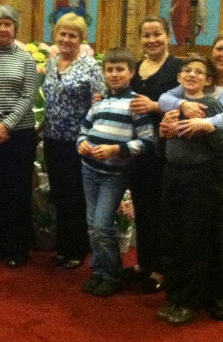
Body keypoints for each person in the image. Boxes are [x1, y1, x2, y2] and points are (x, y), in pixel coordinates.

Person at [159, 28, 223, 321]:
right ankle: (201, 293)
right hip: (207, 165)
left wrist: (201, 123)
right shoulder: (206, 79)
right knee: (201, 233)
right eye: (219, 49)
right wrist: (181, 105)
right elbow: (166, 97)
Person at [156, 54, 223, 326]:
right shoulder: (175, 106)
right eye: (187, 70)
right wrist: (162, 136)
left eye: (199, 72)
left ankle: (190, 302)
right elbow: (162, 149)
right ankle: (174, 297)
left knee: (193, 242)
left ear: (208, 80)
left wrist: (206, 129)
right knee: (171, 239)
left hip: (199, 180)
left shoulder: (210, 105)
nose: (191, 75)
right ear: (179, 77)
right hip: (172, 177)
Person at [77, 47, 154, 297]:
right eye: (109, 70)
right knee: (91, 225)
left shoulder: (135, 105)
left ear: (131, 72)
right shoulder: (101, 102)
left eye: (120, 69)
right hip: (89, 170)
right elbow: (84, 130)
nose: (114, 74)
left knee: (102, 225)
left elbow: (146, 142)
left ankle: (113, 274)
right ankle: (99, 270)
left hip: (114, 174)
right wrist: (82, 144)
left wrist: (115, 150)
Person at [41, 13, 105, 270]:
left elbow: (99, 103)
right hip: (52, 138)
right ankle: (63, 246)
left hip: (77, 141)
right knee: (59, 194)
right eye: (63, 34)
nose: (66, 39)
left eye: (73, 35)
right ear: (55, 36)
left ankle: (77, 248)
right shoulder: (53, 62)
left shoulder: (90, 66)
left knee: (75, 195)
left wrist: (91, 135)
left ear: (81, 39)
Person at [124, 16, 183, 293]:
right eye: (146, 35)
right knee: (142, 206)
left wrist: (155, 106)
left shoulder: (178, 68)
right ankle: (143, 263)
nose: (152, 40)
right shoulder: (135, 68)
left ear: (167, 35)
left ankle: (162, 269)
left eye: (157, 34)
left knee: (163, 210)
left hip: (166, 148)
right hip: (138, 149)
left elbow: (188, 103)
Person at [0, 5, 38, 268]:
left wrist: (7, 125)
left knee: (18, 191)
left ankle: (18, 247)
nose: (2, 29)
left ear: (15, 28)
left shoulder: (26, 59)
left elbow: (28, 96)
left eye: (7, 24)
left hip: (20, 133)